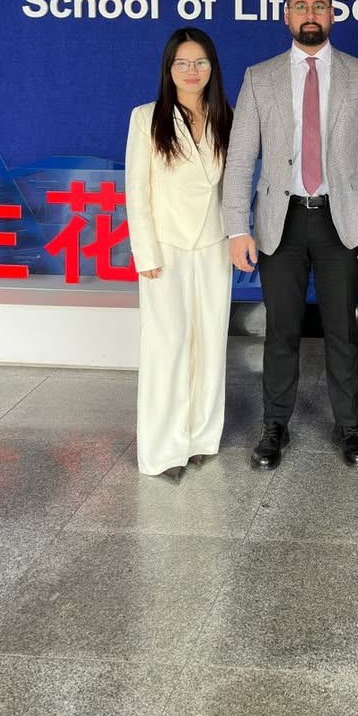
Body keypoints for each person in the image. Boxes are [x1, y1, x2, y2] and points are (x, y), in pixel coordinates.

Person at [222, 0, 358, 469]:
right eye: (301, 6)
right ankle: (275, 425)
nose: (310, 13)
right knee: (281, 330)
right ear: (287, 16)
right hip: (281, 221)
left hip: (343, 220)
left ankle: (349, 426)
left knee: (343, 330)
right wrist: (237, 228)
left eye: (319, 6)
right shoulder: (260, 77)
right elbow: (241, 158)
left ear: (332, 15)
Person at [124, 27, 233, 480]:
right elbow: (136, 190)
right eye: (182, 63)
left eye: (200, 62)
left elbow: (230, 187)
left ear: (212, 68)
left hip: (214, 247)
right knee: (167, 347)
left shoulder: (225, 116)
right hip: (165, 250)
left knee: (210, 345)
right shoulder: (146, 117)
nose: (192, 71)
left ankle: (201, 437)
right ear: (169, 69)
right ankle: (162, 449)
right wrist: (145, 252)